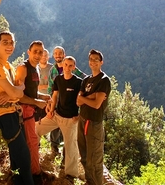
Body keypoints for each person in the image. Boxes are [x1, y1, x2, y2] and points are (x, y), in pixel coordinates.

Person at [0, 31, 34, 185]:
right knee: (24, 156)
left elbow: (18, 91)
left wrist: (15, 92)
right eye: (5, 42)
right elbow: (16, 92)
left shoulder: (8, 66)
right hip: (3, 115)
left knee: (16, 155)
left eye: (11, 42)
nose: (9, 45)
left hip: (11, 113)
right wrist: (14, 92)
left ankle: (17, 181)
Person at [36, 56, 82, 180]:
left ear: (74, 67)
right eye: (66, 64)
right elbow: (55, 96)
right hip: (56, 115)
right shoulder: (58, 79)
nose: (67, 67)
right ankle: (32, 158)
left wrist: (79, 115)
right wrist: (50, 111)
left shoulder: (78, 82)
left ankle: (71, 175)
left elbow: (81, 99)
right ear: (62, 65)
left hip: (70, 120)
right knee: (35, 128)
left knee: (71, 147)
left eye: (70, 65)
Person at [15, 40, 54, 184]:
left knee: (32, 141)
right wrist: (37, 102)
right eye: (35, 51)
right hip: (24, 110)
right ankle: (35, 174)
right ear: (28, 52)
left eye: (41, 52)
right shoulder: (23, 68)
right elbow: (18, 95)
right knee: (32, 141)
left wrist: (42, 96)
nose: (38, 54)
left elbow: (30, 91)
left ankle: (33, 171)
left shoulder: (35, 68)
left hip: (30, 109)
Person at [77, 49, 111, 185]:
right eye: (91, 59)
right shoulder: (86, 80)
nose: (93, 62)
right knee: (84, 156)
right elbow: (77, 101)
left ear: (101, 62)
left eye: (96, 59)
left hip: (94, 123)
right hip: (82, 118)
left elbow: (97, 104)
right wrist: (89, 97)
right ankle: (89, 181)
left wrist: (84, 97)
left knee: (95, 160)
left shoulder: (104, 80)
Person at [47, 46, 86, 156]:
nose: (58, 55)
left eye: (60, 53)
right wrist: (50, 103)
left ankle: (66, 153)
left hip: (70, 104)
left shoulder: (72, 67)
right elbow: (50, 87)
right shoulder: (53, 70)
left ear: (64, 55)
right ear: (53, 56)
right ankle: (54, 148)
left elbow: (84, 78)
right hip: (57, 103)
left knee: (68, 131)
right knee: (55, 127)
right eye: (55, 53)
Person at [34, 48, 53, 121]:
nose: (44, 57)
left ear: (48, 57)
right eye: (42, 55)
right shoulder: (35, 68)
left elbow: (54, 85)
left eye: (46, 55)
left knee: (48, 122)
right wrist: (46, 86)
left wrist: (41, 87)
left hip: (49, 101)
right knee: (36, 122)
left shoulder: (52, 68)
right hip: (37, 100)